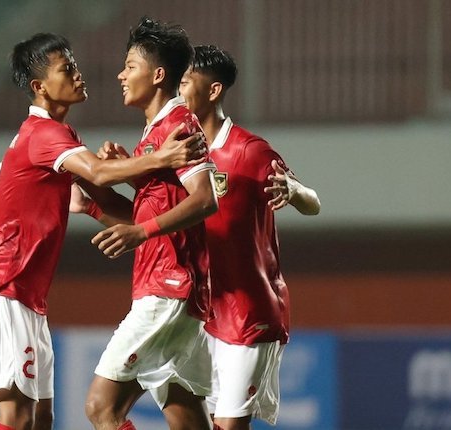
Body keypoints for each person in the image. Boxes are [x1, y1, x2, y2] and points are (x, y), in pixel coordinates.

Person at [0, 32, 205, 430]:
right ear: (40, 87)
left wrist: (110, 211)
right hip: (3, 284)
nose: (79, 74)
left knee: (41, 420)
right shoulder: (42, 134)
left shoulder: (64, 138)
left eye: (74, 65)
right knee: (18, 418)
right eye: (66, 69)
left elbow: (116, 206)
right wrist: (159, 158)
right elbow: (98, 171)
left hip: (27, 294)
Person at [81, 17, 218, 430]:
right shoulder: (155, 133)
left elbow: (206, 198)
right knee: (189, 421)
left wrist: (140, 231)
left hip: (168, 288)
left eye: (130, 66)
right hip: (177, 290)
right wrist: (99, 197)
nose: (121, 75)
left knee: (101, 409)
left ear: (158, 75)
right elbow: (145, 211)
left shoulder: (178, 125)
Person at [178, 45, 321, 430]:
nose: (179, 90)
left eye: (186, 81)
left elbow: (314, 202)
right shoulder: (178, 152)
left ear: (214, 90)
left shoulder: (249, 151)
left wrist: (293, 191)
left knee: (229, 425)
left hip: (249, 312)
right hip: (203, 314)